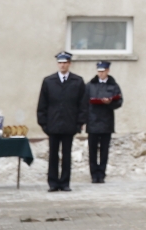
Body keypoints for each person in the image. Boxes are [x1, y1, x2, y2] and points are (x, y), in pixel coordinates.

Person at [37, 52, 86, 192]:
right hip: (53, 124)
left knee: (66, 155)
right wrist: (44, 123)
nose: (62, 65)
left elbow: (82, 105)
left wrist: (79, 123)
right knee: (53, 154)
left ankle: (65, 182)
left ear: (69, 63)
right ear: (57, 64)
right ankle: (53, 183)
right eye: (60, 62)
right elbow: (42, 104)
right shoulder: (49, 81)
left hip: (69, 124)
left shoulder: (77, 81)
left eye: (65, 62)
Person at [83, 61, 123, 183]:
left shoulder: (113, 85)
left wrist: (110, 102)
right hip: (93, 121)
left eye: (103, 71)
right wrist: (84, 119)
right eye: (99, 71)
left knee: (104, 150)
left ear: (108, 71)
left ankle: (102, 174)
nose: (101, 74)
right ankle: (94, 174)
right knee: (93, 150)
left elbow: (119, 101)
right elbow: (84, 102)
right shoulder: (90, 85)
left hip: (106, 121)